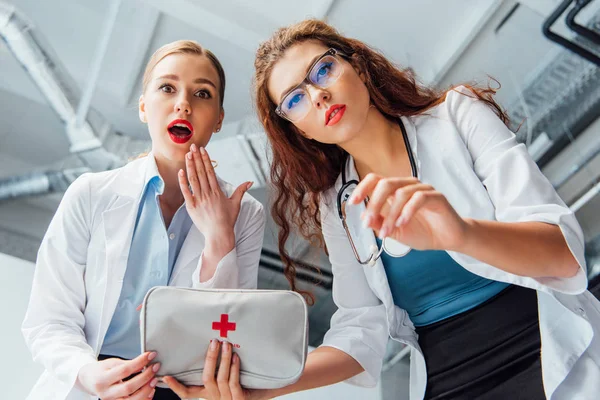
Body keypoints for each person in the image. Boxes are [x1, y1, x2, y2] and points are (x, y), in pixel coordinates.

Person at [246, 19, 600, 400]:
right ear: (302, 130)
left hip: (545, 345)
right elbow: (359, 327)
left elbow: (565, 256)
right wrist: (268, 388)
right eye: (295, 99)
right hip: (449, 384)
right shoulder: (338, 206)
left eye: (323, 69)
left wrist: (462, 234)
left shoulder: (457, 117)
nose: (317, 95)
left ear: (358, 67)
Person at [21, 40, 265, 400]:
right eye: (167, 88)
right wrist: (87, 374)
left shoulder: (243, 213)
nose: (184, 103)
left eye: (202, 93)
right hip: (89, 383)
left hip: (181, 391)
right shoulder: (90, 194)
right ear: (143, 107)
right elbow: (48, 320)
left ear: (218, 120)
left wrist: (219, 240)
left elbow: (226, 336)